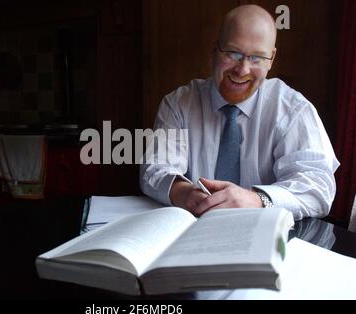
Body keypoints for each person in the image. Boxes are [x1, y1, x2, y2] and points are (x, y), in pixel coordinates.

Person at [139, 4, 340, 221]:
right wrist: (182, 192)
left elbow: (318, 187)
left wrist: (257, 200)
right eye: (233, 53)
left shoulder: (292, 110)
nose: (242, 70)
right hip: (194, 234)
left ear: (271, 59)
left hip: (265, 241)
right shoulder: (179, 104)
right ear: (214, 51)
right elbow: (155, 169)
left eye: (257, 58)